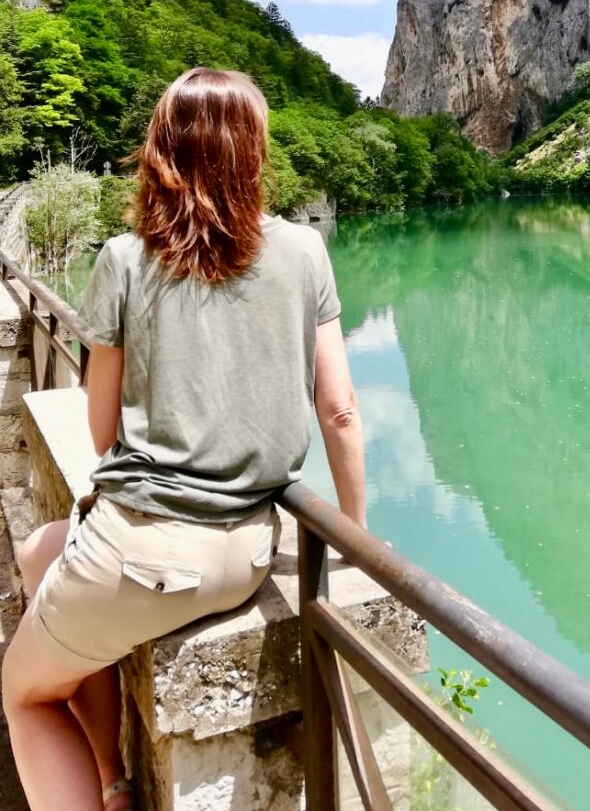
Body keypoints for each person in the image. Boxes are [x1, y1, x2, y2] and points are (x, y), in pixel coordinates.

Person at [2, 68, 366, 811]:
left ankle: (96, 780)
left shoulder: (125, 258)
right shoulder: (303, 252)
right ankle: (110, 777)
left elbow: (101, 430)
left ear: (162, 151)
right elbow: (340, 413)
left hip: (142, 555)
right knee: (40, 553)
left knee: (22, 695)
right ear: (252, 150)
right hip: (247, 554)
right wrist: (356, 536)